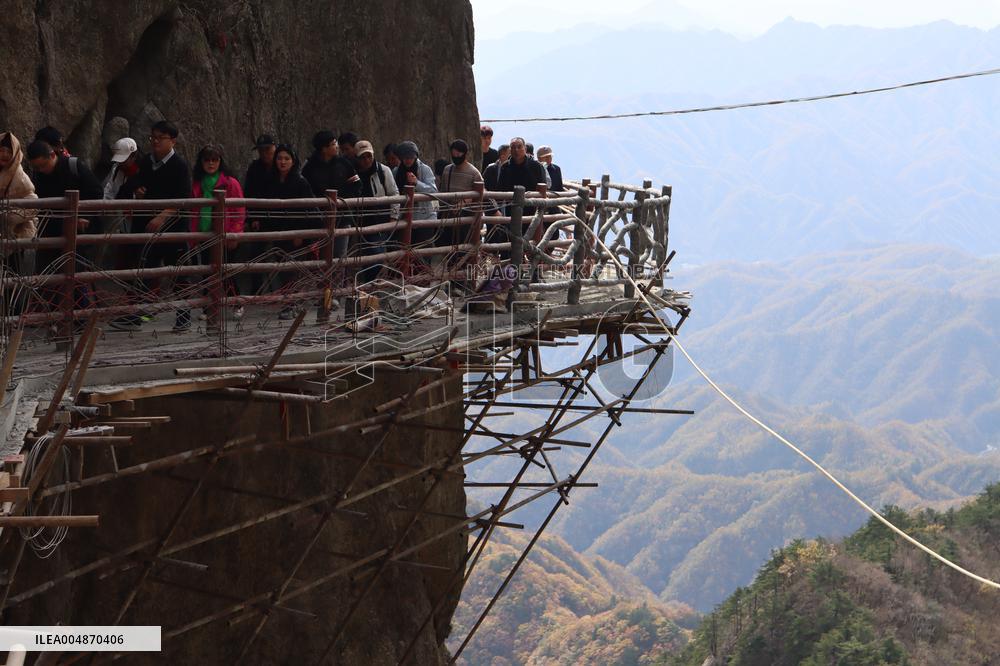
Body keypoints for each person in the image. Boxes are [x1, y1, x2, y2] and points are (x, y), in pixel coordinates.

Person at [112, 120, 193, 332]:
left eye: (161, 138)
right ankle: (140, 315)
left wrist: (162, 216)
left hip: (173, 227)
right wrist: (136, 193)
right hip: (147, 227)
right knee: (145, 271)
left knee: (178, 273)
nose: (155, 142)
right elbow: (131, 186)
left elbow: (183, 197)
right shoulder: (147, 162)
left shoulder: (180, 166)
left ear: (172, 141)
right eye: (153, 137)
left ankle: (184, 316)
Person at [27, 139, 103, 281]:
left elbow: (97, 191)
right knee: (45, 275)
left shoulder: (73, 166)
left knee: (74, 277)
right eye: (37, 167)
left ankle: (79, 303)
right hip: (49, 232)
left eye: (43, 165)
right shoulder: (38, 174)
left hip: (75, 231)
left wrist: (84, 216)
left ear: (52, 155)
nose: (41, 170)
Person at [190, 145, 246, 320]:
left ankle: (237, 302)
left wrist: (235, 233)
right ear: (201, 162)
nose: (211, 163)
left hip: (225, 233)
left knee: (225, 271)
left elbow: (239, 209)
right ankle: (209, 307)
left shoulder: (230, 182)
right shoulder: (197, 183)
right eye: (207, 160)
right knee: (208, 271)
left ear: (220, 162)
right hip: (204, 232)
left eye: (214, 160)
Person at [262, 144, 317, 319]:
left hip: (296, 233)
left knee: (293, 270)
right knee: (283, 269)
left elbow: (309, 210)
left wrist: (300, 233)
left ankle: (292, 303)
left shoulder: (300, 182)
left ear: (293, 161)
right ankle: (290, 302)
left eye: (286, 158)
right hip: (278, 231)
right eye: (279, 158)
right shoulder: (271, 180)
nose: (282, 162)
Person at [354, 140, 399, 282]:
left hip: (379, 220)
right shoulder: (352, 172)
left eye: (369, 156)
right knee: (364, 254)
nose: (367, 160)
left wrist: (394, 216)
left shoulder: (383, 170)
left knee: (376, 253)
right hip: (360, 220)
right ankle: (367, 286)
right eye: (363, 157)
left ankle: (370, 284)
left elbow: (394, 194)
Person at [0, 133, 38, 290]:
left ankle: (11, 313)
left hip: (12, 236)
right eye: (1, 149)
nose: (4, 154)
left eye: (9, 151)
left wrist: (9, 216)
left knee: (11, 279)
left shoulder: (20, 177)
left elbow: (33, 204)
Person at [242, 134, 277, 296]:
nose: (265, 154)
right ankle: (257, 288)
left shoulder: (282, 164)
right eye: (261, 151)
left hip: (282, 217)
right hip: (261, 217)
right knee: (256, 253)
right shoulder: (255, 168)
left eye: (267, 150)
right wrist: (252, 217)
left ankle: (283, 289)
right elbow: (249, 194)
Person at [440, 139, 483, 248]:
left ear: (465, 154)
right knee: (446, 247)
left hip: (465, 218)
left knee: (464, 248)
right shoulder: (447, 170)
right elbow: (443, 192)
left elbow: (479, 194)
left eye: (459, 153)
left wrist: (463, 203)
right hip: (448, 217)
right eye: (454, 153)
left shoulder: (474, 173)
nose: (456, 156)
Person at [392, 141, 437, 245]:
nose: (408, 160)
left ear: (415, 156)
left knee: (423, 253)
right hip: (404, 218)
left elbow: (433, 191)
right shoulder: (396, 171)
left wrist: (417, 183)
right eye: (405, 157)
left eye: (411, 157)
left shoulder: (424, 169)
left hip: (425, 219)